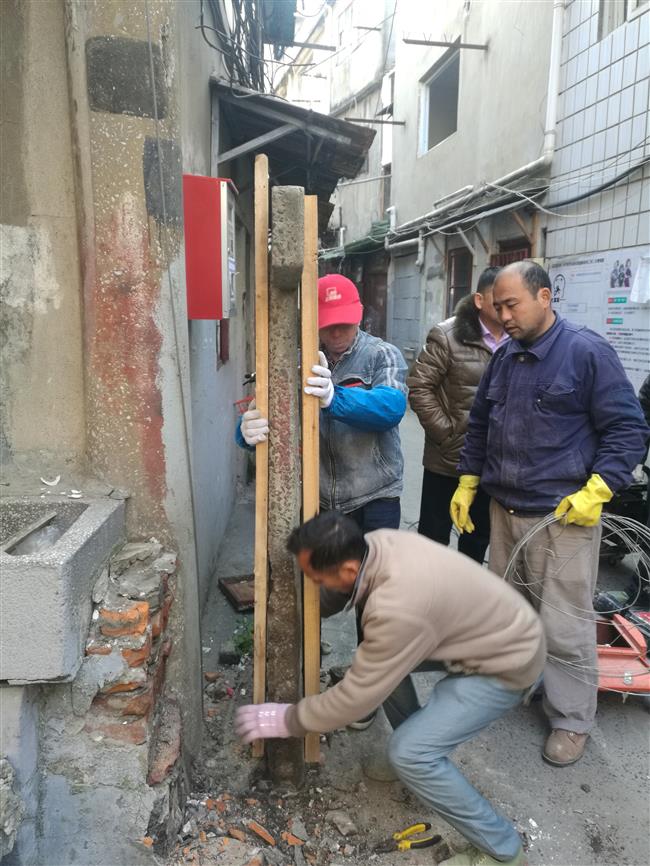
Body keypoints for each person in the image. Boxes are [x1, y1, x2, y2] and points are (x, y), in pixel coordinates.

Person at [236, 511, 545, 866]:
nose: (312, 583)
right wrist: (293, 613)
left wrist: (289, 719)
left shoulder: (397, 608)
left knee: (408, 752)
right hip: (478, 632)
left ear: (347, 569)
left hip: (507, 662)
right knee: (382, 672)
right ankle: (423, 757)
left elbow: (355, 699)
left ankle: (505, 851)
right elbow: (345, 592)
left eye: (314, 578)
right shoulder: (378, 545)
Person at [451, 260, 650, 767]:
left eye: (512, 304)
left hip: (563, 518)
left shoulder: (585, 352)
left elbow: (628, 429)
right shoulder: (505, 357)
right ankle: (509, 685)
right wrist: (469, 479)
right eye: (497, 306)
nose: (503, 315)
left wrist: (599, 488)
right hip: (504, 509)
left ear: (544, 296)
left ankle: (571, 718)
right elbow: (479, 425)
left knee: (564, 626)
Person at [238, 273, 408, 728]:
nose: (336, 335)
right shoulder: (294, 361)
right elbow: (262, 413)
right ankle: (308, 679)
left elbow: (391, 408)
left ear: (359, 317)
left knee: (376, 600)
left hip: (375, 495)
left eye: (344, 325)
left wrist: (336, 400)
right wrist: (246, 432)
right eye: (328, 325)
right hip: (324, 500)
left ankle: (369, 695)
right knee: (319, 587)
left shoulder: (380, 355)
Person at [407, 267, 507, 563]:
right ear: (479, 300)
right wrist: (447, 434)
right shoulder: (447, 336)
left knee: (477, 539)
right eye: (497, 299)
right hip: (448, 460)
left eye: (510, 300)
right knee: (434, 538)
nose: (504, 307)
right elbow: (419, 386)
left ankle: (465, 600)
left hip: (493, 464)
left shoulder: (520, 337)